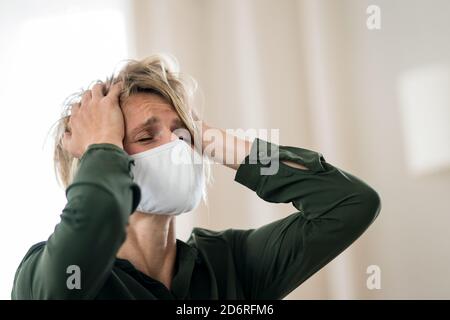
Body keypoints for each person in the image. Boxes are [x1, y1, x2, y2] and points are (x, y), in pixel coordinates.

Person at [11, 54, 381, 300]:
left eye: (183, 133)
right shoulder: (50, 274)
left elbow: (350, 203)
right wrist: (101, 144)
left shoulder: (233, 264)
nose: (177, 146)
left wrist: (217, 140)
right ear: (100, 160)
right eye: (146, 136)